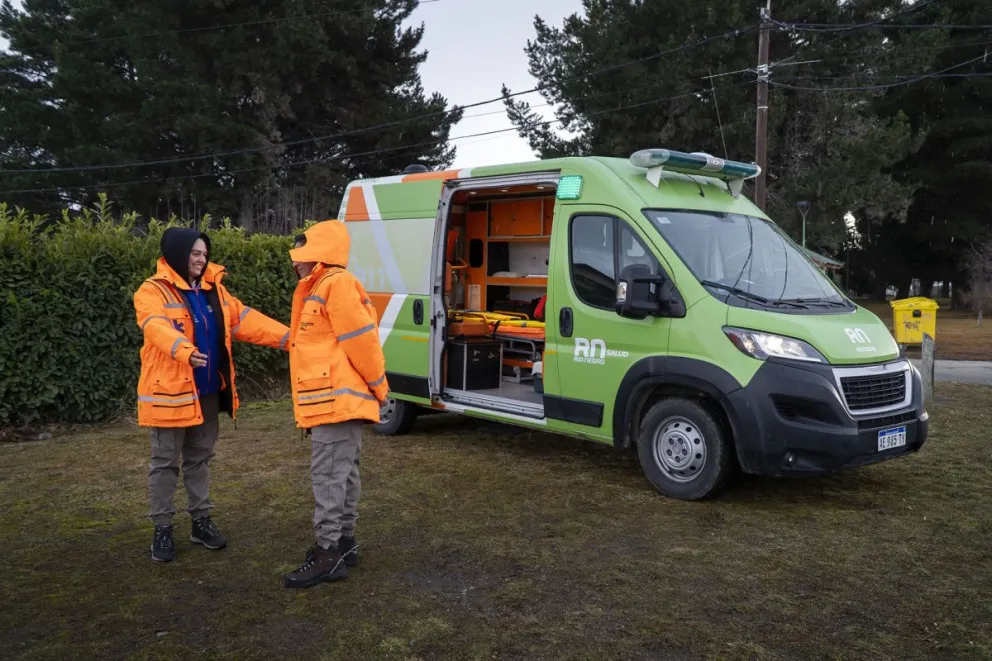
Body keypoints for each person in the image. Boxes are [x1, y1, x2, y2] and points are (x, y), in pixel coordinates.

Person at [133, 227, 290, 563]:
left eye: (204, 254)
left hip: (206, 393)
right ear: (177, 253)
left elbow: (244, 320)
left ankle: (200, 521)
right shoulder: (151, 291)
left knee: (199, 459)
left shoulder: (214, 290)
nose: (201, 260)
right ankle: (162, 527)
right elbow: (154, 326)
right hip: (169, 395)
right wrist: (183, 350)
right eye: (195, 253)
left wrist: (289, 339)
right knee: (165, 463)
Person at [282, 220, 389, 589]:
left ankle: (328, 554)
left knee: (329, 477)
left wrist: (380, 387)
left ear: (318, 254)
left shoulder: (335, 284)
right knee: (342, 474)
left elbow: (363, 342)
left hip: (336, 404)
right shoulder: (322, 285)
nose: (294, 262)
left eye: (300, 255)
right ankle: (343, 545)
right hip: (334, 403)